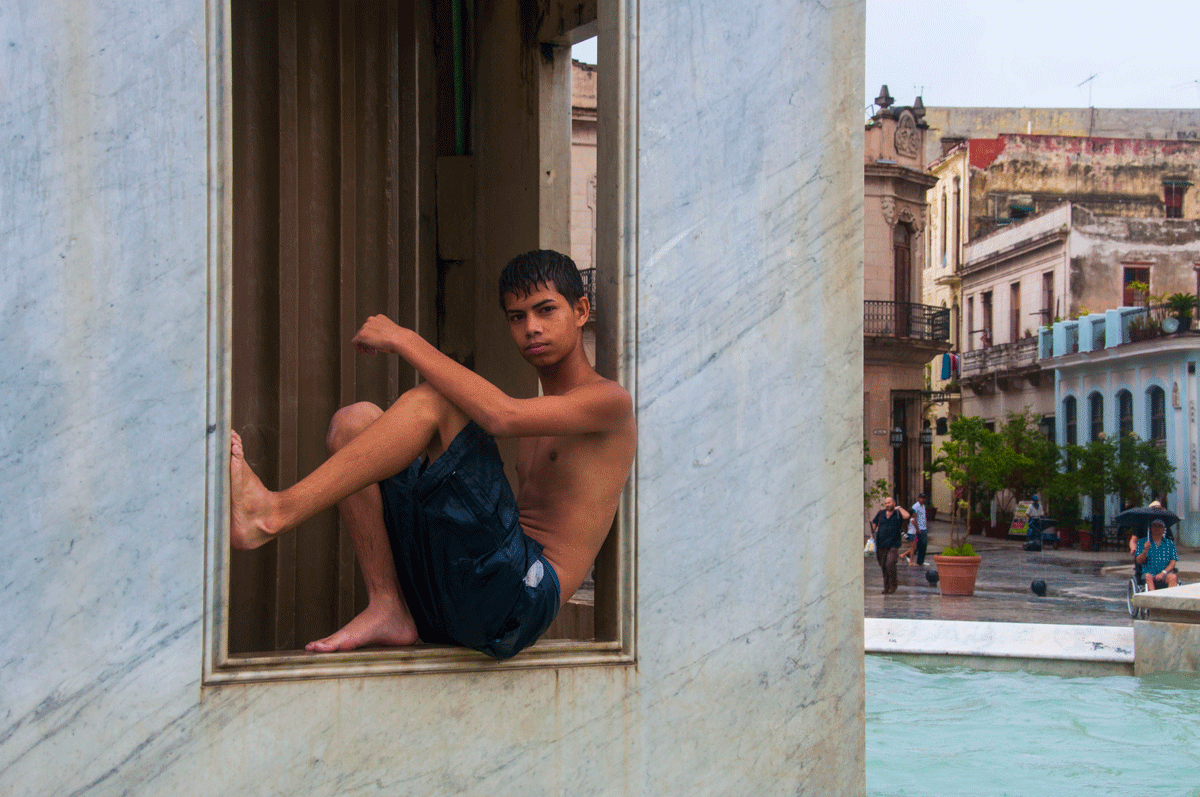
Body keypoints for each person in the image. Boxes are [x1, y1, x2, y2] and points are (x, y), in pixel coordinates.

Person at [229, 250, 637, 659]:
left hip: (523, 599)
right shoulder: (543, 410)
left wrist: (403, 338)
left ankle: (272, 514)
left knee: (437, 402)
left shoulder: (609, 402)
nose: (531, 327)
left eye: (546, 310)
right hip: (458, 592)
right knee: (354, 423)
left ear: (581, 310)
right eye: (517, 317)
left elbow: (501, 415)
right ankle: (388, 605)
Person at [870, 497, 911, 594]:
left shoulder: (898, 514)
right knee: (883, 565)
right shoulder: (881, 513)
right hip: (881, 543)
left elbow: (907, 516)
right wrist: (873, 532)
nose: (887, 505)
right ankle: (886, 586)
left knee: (890, 563)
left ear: (894, 503)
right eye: (886, 503)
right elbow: (875, 522)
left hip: (893, 544)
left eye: (889, 502)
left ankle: (893, 585)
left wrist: (899, 508)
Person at [1134, 519, 1178, 592]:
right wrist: (1145, 550)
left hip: (1164, 573)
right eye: (1154, 526)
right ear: (1150, 528)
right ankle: (1154, 598)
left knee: (1173, 577)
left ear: (1164, 529)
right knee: (1148, 577)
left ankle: (1170, 599)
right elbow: (1139, 561)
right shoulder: (1142, 542)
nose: (1157, 528)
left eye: (1159, 526)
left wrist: (1163, 573)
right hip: (1148, 573)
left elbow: (1173, 562)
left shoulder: (1170, 544)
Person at [910, 492, 929, 566]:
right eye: (921, 498)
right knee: (918, 545)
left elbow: (923, 517)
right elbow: (914, 517)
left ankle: (920, 561)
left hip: (923, 527)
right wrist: (917, 528)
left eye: (924, 498)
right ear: (918, 498)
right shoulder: (915, 506)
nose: (922, 499)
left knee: (923, 545)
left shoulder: (923, 506)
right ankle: (909, 556)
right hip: (919, 528)